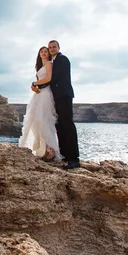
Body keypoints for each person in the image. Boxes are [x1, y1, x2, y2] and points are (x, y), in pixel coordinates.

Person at [19, 46, 62, 162]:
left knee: (43, 119)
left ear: (48, 54)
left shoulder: (49, 63)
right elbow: (40, 83)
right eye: (41, 51)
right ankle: (45, 149)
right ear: (39, 54)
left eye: (45, 51)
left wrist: (34, 83)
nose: (43, 53)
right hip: (39, 93)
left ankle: (52, 149)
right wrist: (35, 88)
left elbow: (48, 78)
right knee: (35, 120)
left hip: (46, 94)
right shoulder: (40, 66)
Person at [44, 40, 80, 169]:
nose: (52, 49)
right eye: (50, 47)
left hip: (64, 95)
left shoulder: (62, 59)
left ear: (59, 47)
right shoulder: (53, 61)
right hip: (56, 97)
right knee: (59, 125)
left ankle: (74, 158)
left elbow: (55, 77)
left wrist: (39, 84)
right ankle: (65, 155)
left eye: (54, 47)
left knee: (67, 124)